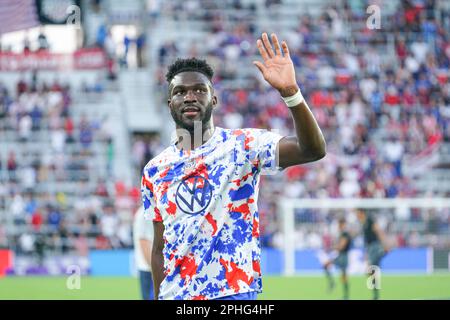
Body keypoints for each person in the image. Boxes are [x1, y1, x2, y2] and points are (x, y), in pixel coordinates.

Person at [141, 32, 326, 300]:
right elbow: (159, 249)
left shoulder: (243, 146)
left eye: (199, 90)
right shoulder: (155, 171)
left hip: (232, 293)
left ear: (213, 100)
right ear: (170, 104)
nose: (190, 97)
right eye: (180, 92)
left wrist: (291, 94)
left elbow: (312, 150)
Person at [356, 208, 390, 300]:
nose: (356, 215)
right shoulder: (363, 224)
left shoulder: (370, 220)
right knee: (371, 271)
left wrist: (385, 243)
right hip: (370, 248)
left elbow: (379, 231)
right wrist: (366, 254)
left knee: (370, 269)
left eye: (357, 213)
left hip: (375, 246)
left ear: (361, 213)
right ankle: (376, 295)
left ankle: (382, 252)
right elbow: (366, 242)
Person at [322, 218, 352, 300]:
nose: (338, 226)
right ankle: (345, 294)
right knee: (342, 275)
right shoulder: (343, 234)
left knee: (343, 276)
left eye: (339, 224)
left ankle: (343, 293)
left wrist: (331, 247)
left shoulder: (345, 234)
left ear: (342, 224)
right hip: (341, 256)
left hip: (343, 257)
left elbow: (341, 246)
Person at [133, 206, 154, 300]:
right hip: (148, 269)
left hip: (154, 267)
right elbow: (143, 242)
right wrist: (153, 268)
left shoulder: (152, 210)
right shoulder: (144, 213)